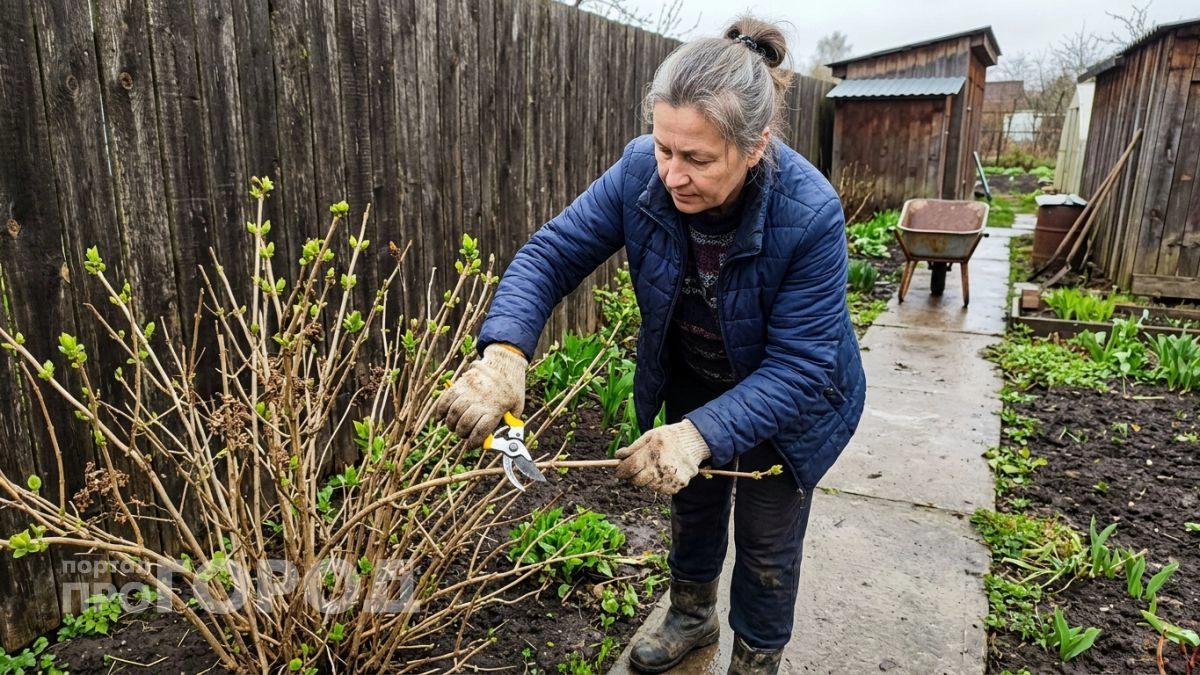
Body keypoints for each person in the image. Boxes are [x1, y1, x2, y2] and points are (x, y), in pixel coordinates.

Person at [434, 15, 865, 675]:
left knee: (765, 541)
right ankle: (692, 616)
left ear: (755, 147)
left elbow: (801, 366)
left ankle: (757, 658)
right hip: (699, 369)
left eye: (696, 158)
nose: (671, 174)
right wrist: (505, 355)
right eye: (665, 147)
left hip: (794, 398)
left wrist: (699, 434)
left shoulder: (809, 213)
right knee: (692, 507)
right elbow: (551, 254)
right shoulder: (643, 171)